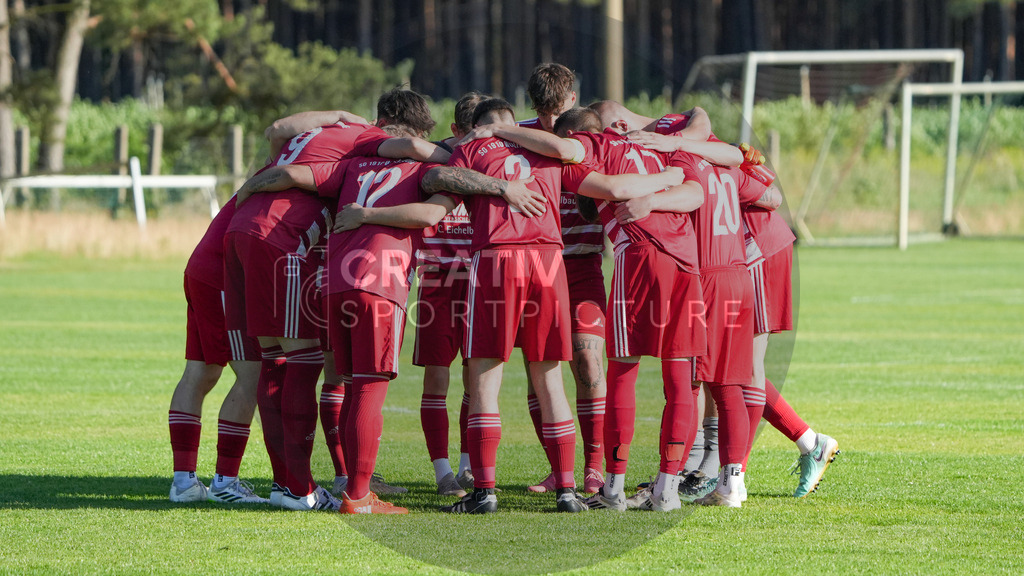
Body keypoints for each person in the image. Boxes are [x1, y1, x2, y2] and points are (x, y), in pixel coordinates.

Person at [439, 98, 687, 514]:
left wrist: (491, 178)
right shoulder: (548, 151)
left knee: (484, 376)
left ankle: (484, 492)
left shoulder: (474, 146)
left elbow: (439, 177)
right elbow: (605, 184)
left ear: (479, 127)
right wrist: (669, 175)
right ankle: (568, 491)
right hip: (550, 262)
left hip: (499, 256)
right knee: (550, 375)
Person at [225, 89, 447, 511]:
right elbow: (425, 186)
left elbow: (286, 162)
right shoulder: (383, 149)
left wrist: (249, 189)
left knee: (289, 363)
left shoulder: (343, 156)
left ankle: (297, 483)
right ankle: (329, 491)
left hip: (316, 270)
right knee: (349, 378)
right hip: (353, 270)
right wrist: (457, 159)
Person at [552, 107, 707, 512]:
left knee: (623, 368)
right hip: (688, 259)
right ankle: (667, 491)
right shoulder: (660, 146)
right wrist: (662, 186)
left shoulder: (589, 145)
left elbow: (611, 187)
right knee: (678, 376)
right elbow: (696, 191)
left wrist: (504, 133)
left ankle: (614, 489)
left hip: (640, 255)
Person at [521, 64, 608, 495]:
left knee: (589, 362)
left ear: (573, 100)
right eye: (543, 112)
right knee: (542, 371)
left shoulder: (596, 134)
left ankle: (595, 467)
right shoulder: (518, 135)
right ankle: (561, 468)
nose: (552, 123)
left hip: (582, 264)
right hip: (535, 267)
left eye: (558, 111)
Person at [168, 196, 265, 504]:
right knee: (253, 375)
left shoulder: (284, 167)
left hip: (203, 267)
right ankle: (225, 482)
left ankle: (184, 483)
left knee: (200, 372)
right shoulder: (305, 172)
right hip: (223, 272)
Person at [415, 92, 488, 495]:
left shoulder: (494, 161)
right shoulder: (431, 164)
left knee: (476, 381)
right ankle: (443, 472)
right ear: (455, 132)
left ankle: (467, 467)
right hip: (438, 282)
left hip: (480, 281)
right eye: (469, 134)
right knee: (437, 379)